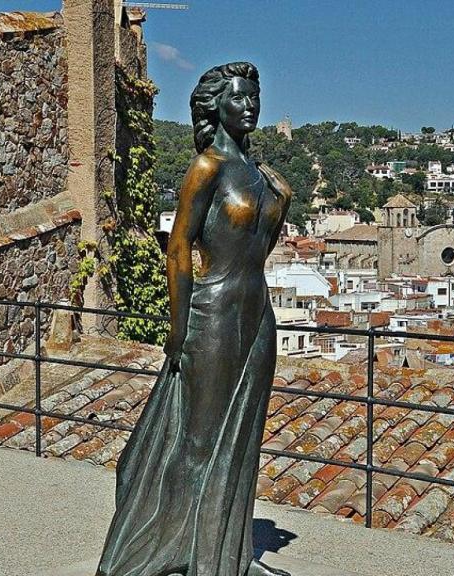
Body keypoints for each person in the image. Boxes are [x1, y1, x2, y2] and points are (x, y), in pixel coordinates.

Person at [96, 62, 292, 576]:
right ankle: (164, 551)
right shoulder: (207, 167)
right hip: (214, 313)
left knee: (242, 439)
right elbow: (180, 247)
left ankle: (225, 557)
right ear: (216, 106)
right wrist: (178, 329)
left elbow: (260, 250)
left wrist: (282, 200)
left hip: (257, 316)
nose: (250, 105)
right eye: (239, 97)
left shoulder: (263, 177)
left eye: (255, 95)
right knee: (198, 441)